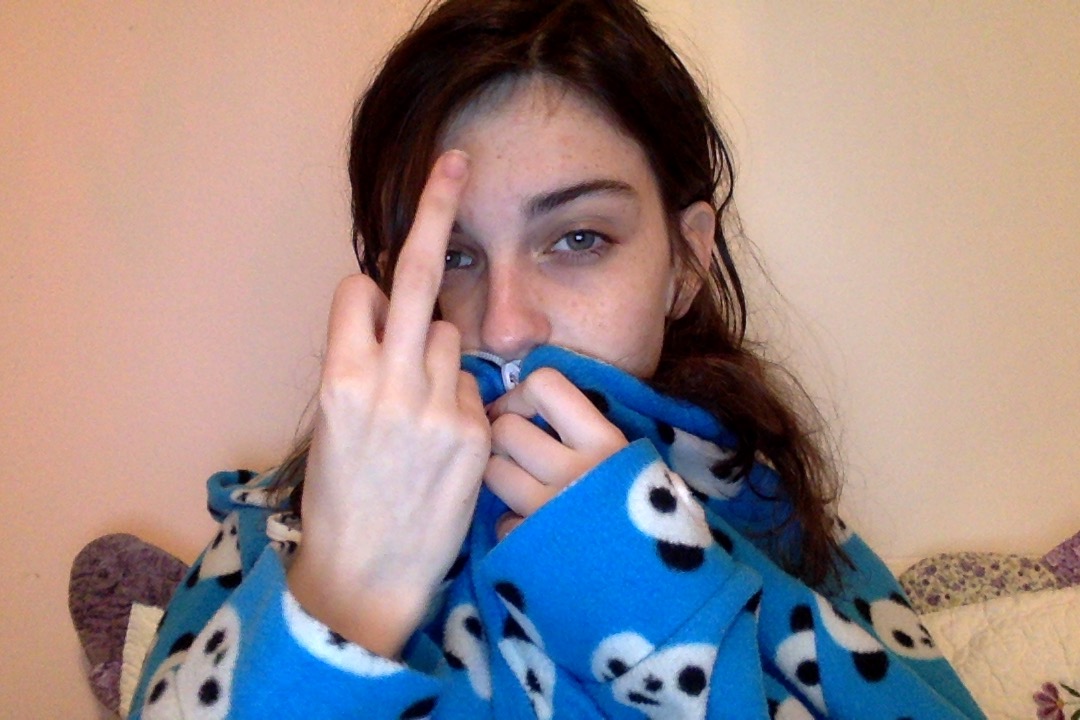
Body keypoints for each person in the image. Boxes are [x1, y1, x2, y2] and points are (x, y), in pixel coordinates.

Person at [131, 1, 983, 717]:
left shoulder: (786, 531)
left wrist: (650, 599)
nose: (506, 327)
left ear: (686, 263)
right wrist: (343, 594)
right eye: (454, 256)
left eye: (579, 238)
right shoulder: (272, 534)